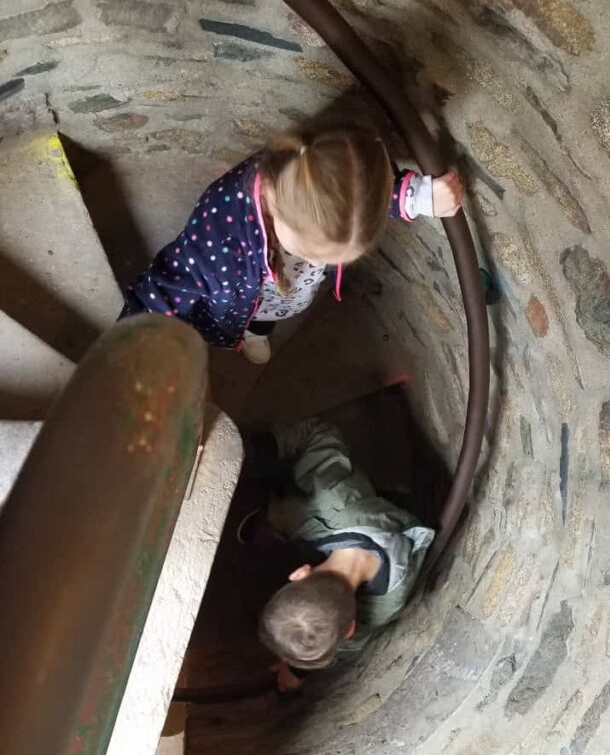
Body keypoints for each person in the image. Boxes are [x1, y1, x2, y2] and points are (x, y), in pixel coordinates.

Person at [120, 123, 464, 363]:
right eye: (309, 254)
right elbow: (158, 295)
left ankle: (257, 331)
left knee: (266, 316)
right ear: (272, 198)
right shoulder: (219, 239)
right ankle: (248, 333)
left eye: (330, 260)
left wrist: (418, 197)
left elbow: (367, 194)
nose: (317, 264)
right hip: (240, 303)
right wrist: (129, 359)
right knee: (253, 316)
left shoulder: (329, 184)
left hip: (273, 300)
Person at [239, 416, 434, 690]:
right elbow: (318, 432)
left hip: (329, 528)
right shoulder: (331, 493)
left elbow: (344, 644)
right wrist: (254, 449)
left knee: (294, 517)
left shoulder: (385, 607)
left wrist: (296, 669)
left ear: (300, 571)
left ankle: (272, 521)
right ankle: (273, 518)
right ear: (300, 573)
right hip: (346, 520)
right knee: (295, 514)